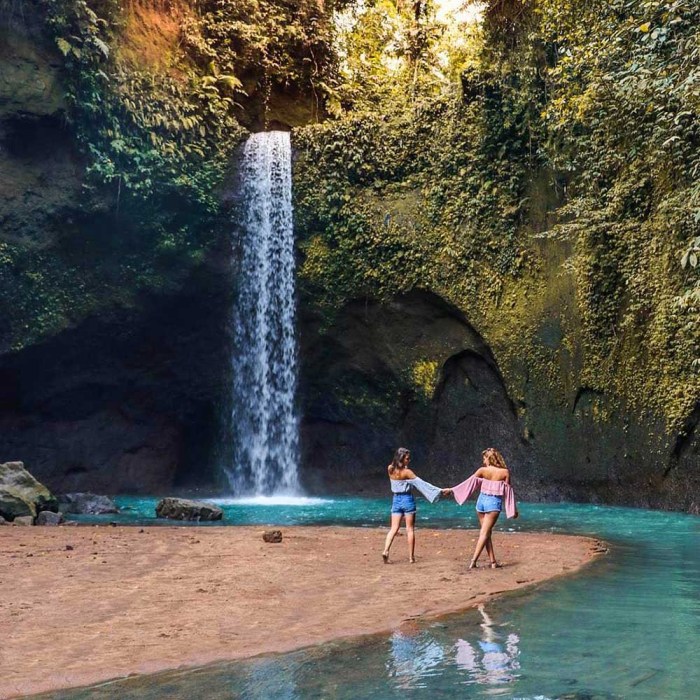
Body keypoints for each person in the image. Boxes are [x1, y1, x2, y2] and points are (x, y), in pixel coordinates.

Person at [451, 447, 519, 570]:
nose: (483, 461)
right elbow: (508, 492)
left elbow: (469, 483)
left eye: (484, 458)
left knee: (486, 533)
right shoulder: (505, 472)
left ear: (489, 458)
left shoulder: (482, 471)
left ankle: (493, 562)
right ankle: (473, 561)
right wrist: (513, 509)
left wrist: (453, 490)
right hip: (493, 504)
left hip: (481, 503)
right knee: (484, 533)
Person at [382, 447, 450, 564]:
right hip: (407, 499)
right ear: (402, 459)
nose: (409, 460)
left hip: (396, 499)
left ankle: (386, 551)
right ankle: (411, 558)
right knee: (410, 529)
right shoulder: (407, 472)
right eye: (407, 458)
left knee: (394, 528)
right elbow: (423, 484)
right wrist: (440, 490)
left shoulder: (390, 469)